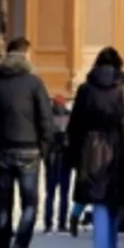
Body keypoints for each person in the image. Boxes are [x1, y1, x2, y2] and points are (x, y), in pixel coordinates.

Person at [0, 37, 53, 248]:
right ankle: (20, 245)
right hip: (29, 149)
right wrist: (46, 147)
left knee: (4, 206)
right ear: (26, 55)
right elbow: (45, 119)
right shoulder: (34, 83)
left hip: (1, 151)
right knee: (30, 204)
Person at [67, 46, 124, 248]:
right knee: (114, 200)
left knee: (98, 200)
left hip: (90, 147)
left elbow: (75, 124)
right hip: (116, 147)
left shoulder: (85, 89)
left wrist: (75, 154)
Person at [43, 95, 73, 233]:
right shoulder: (69, 116)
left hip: (51, 156)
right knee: (64, 192)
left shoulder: (48, 117)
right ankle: (62, 222)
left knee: (50, 192)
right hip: (66, 156)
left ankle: (48, 222)